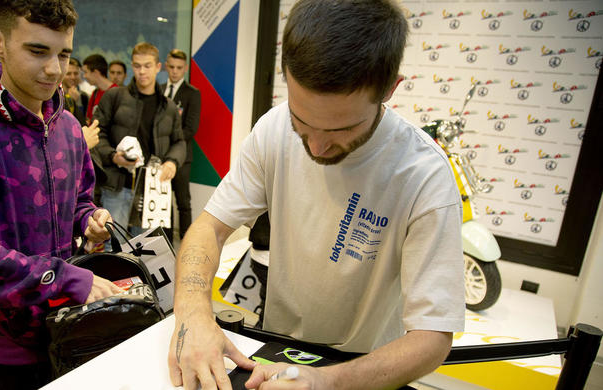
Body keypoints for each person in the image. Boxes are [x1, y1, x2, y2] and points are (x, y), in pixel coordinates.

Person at [167, 1, 465, 389]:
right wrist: (192, 314)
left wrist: (329, 381)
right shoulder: (273, 130)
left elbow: (432, 337)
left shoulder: (424, 176)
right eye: (301, 121)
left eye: (341, 129)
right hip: (274, 347)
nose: (318, 147)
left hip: (365, 371)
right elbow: (211, 227)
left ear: (389, 90)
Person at [0, 0, 122, 388]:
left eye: (63, 54)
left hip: (69, 325)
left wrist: (89, 219)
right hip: (4, 342)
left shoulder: (68, 127)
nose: (54, 69)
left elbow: (79, 200)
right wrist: (66, 279)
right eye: (37, 51)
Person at [93, 42, 185, 237]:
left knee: (143, 248)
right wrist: (112, 156)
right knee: (112, 244)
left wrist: (172, 162)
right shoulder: (114, 96)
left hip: (151, 189)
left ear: (158, 67)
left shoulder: (167, 106)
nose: (142, 71)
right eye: (137, 66)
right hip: (118, 185)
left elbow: (179, 141)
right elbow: (97, 134)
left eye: (147, 66)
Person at [162, 49, 200, 239]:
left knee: (183, 201)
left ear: (185, 69)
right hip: (161, 157)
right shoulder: (159, 90)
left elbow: (190, 128)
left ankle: (186, 239)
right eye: (172, 67)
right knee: (164, 201)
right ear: (166, 66)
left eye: (179, 68)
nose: (175, 71)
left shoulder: (192, 93)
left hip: (182, 156)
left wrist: (172, 144)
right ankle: (166, 241)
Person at [82, 54, 116, 123]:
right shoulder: (95, 93)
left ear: (95, 73)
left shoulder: (117, 93)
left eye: (86, 72)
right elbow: (89, 119)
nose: (84, 76)